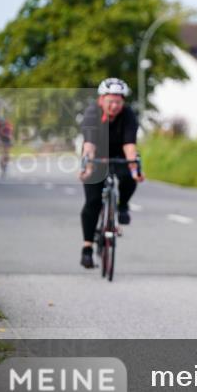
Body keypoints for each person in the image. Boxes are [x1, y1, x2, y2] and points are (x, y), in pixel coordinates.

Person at [78, 78, 144, 269]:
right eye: (110, 101)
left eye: (118, 102)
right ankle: (87, 249)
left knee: (130, 174)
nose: (114, 106)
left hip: (119, 155)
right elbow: (89, 145)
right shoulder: (92, 113)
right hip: (96, 156)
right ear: (101, 100)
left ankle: (122, 206)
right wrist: (87, 168)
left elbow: (130, 146)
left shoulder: (128, 114)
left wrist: (135, 171)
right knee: (92, 202)